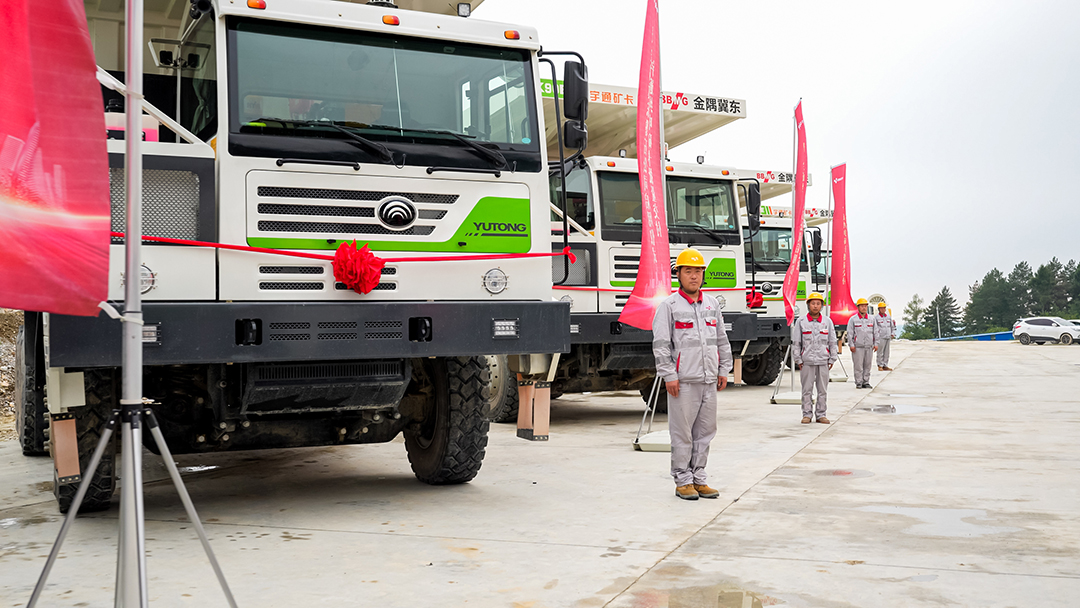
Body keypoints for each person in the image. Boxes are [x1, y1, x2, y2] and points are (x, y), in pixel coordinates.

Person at [652, 248, 733, 501]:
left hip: (709, 380)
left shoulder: (711, 305)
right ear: (679, 275)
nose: (694, 276)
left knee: (706, 432)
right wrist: (669, 375)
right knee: (682, 433)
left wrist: (724, 369)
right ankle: (682, 480)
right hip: (683, 381)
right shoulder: (669, 306)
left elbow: (722, 340)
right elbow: (661, 344)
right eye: (688, 271)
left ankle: (699, 478)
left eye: (698, 271)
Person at [792, 292, 838, 424]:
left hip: (823, 360)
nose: (815, 306)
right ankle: (807, 414)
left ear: (822, 306)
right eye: (813, 303)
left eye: (818, 304)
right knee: (806, 389)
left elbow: (832, 341)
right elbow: (797, 343)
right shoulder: (801, 322)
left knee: (822, 390)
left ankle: (821, 415)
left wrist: (832, 358)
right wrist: (798, 360)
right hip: (807, 361)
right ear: (808, 305)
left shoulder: (827, 322)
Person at [848, 298, 877, 389]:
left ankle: (866, 382)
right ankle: (859, 382)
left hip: (869, 346)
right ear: (858, 307)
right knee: (858, 366)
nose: (864, 308)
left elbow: (876, 332)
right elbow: (850, 333)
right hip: (858, 347)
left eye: (865, 306)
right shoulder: (853, 320)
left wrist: (876, 343)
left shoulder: (872, 319)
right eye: (862, 306)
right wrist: (851, 345)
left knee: (867, 365)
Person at [875, 301, 896, 371]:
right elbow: (875, 328)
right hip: (881, 337)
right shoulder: (876, 318)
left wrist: (893, 333)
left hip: (888, 337)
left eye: (884, 308)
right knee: (880, 352)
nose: (883, 310)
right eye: (881, 308)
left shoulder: (888, 317)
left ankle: (885, 365)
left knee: (887, 352)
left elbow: (892, 326)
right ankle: (880, 365)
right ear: (879, 309)